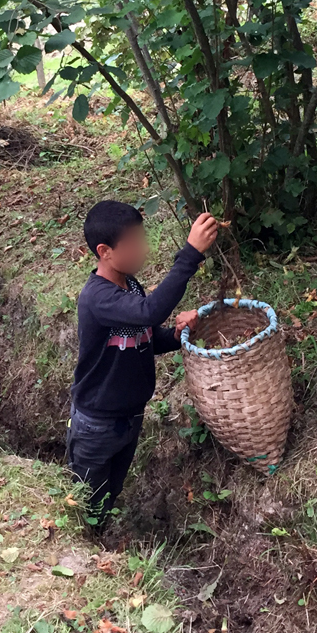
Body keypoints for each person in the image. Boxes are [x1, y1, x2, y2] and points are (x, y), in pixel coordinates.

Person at [69, 202, 219, 530]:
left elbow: (145, 337)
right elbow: (148, 313)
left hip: (129, 417)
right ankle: (87, 548)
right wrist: (191, 253)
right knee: (85, 500)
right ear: (105, 251)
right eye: (135, 243)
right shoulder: (98, 297)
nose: (145, 249)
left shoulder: (129, 285)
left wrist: (178, 336)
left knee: (110, 491)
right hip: (97, 423)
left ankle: (100, 535)